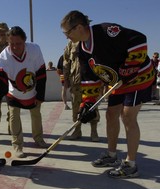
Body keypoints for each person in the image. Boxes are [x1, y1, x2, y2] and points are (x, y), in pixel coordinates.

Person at [61, 10, 154, 178]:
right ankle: (111, 155)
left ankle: (131, 164)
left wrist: (130, 67)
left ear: (79, 27)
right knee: (111, 115)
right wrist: (87, 103)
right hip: (118, 82)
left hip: (138, 78)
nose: (66, 36)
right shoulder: (82, 50)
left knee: (127, 116)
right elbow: (89, 78)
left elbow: (138, 40)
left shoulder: (106, 31)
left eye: (67, 32)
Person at [0, 26, 47, 158]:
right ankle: (17, 145)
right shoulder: (3, 57)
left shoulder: (35, 50)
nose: (15, 47)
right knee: (14, 116)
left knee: (36, 114)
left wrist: (40, 95)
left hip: (33, 90)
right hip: (13, 91)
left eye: (18, 43)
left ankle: (39, 139)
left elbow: (41, 73)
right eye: (11, 44)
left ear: (25, 41)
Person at [62, 41, 100, 142]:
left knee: (93, 107)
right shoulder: (71, 43)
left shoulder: (91, 40)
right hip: (76, 81)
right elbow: (66, 61)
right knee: (76, 108)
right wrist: (66, 79)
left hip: (91, 80)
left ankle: (94, 131)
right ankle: (77, 131)